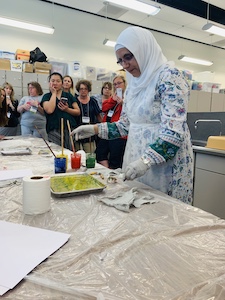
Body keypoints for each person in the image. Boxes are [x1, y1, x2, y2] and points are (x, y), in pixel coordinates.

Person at [71, 26, 193, 205]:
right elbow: (125, 125)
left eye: (128, 57)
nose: (125, 65)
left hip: (163, 164)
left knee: (164, 212)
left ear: (143, 50)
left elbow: (173, 132)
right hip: (137, 158)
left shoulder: (169, 77)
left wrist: (146, 160)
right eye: (120, 60)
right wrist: (95, 129)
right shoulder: (134, 84)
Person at [41, 72, 80, 150]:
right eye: (53, 81)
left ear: (62, 83)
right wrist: (54, 93)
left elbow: (77, 111)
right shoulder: (46, 96)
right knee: (57, 152)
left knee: (70, 151)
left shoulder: (68, 95)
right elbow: (49, 110)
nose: (55, 83)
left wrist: (67, 109)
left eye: (58, 81)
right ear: (49, 83)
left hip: (69, 128)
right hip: (53, 129)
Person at [96, 75, 127, 169]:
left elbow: (131, 112)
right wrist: (113, 100)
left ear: (124, 84)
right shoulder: (112, 97)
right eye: (115, 84)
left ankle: (113, 175)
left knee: (115, 158)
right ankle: (106, 170)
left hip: (119, 133)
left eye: (119, 83)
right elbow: (104, 108)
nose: (117, 86)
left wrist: (123, 102)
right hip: (107, 129)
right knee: (100, 153)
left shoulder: (129, 97)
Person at [75, 79, 102, 153]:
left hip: (90, 132)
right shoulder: (74, 100)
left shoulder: (93, 101)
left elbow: (98, 116)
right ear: (78, 90)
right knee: (78, 154)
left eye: (85, 89)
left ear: (89, 90)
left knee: (90, 154)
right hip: (77, 131)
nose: (83, 90)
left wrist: (102, 126)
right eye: (81, 89)